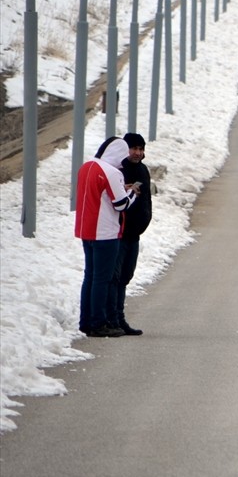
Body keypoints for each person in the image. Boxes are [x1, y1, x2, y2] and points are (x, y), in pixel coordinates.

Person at [75, 136, 138, 338]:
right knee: (103, 279)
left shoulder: (87, 166)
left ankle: (86, 321)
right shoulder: (112, 172)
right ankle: (99, 323)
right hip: (105, 232)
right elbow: (121, 204)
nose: (124, 160)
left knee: (90, 277)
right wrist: (133, 193)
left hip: (86, 229)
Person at [108, 132, 153, 336]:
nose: (137, 152)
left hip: (134, 234)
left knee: (126, 276)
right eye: (134, 148)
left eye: (140, 149)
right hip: (119, 234)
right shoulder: (118, 170)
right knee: (114, 277)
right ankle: (112, 319)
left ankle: (120, 318)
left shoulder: (142, 169)